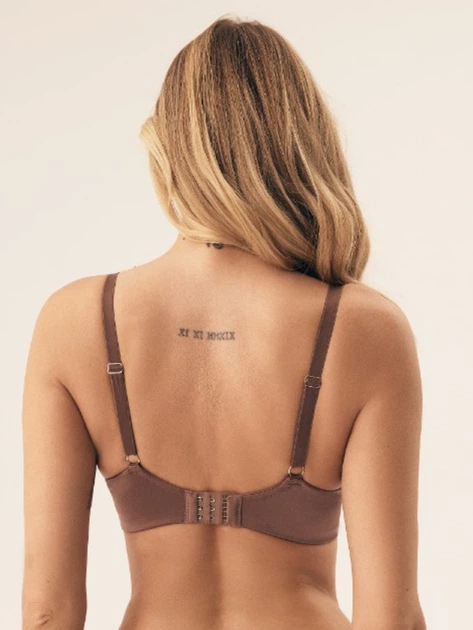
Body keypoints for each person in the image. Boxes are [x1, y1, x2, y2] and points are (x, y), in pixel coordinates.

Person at [21, 14, 427, 630]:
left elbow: (47, 609)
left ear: (169, 147)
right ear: (301, 142)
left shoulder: (75, 323)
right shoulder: (364, 330)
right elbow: (390, 617)